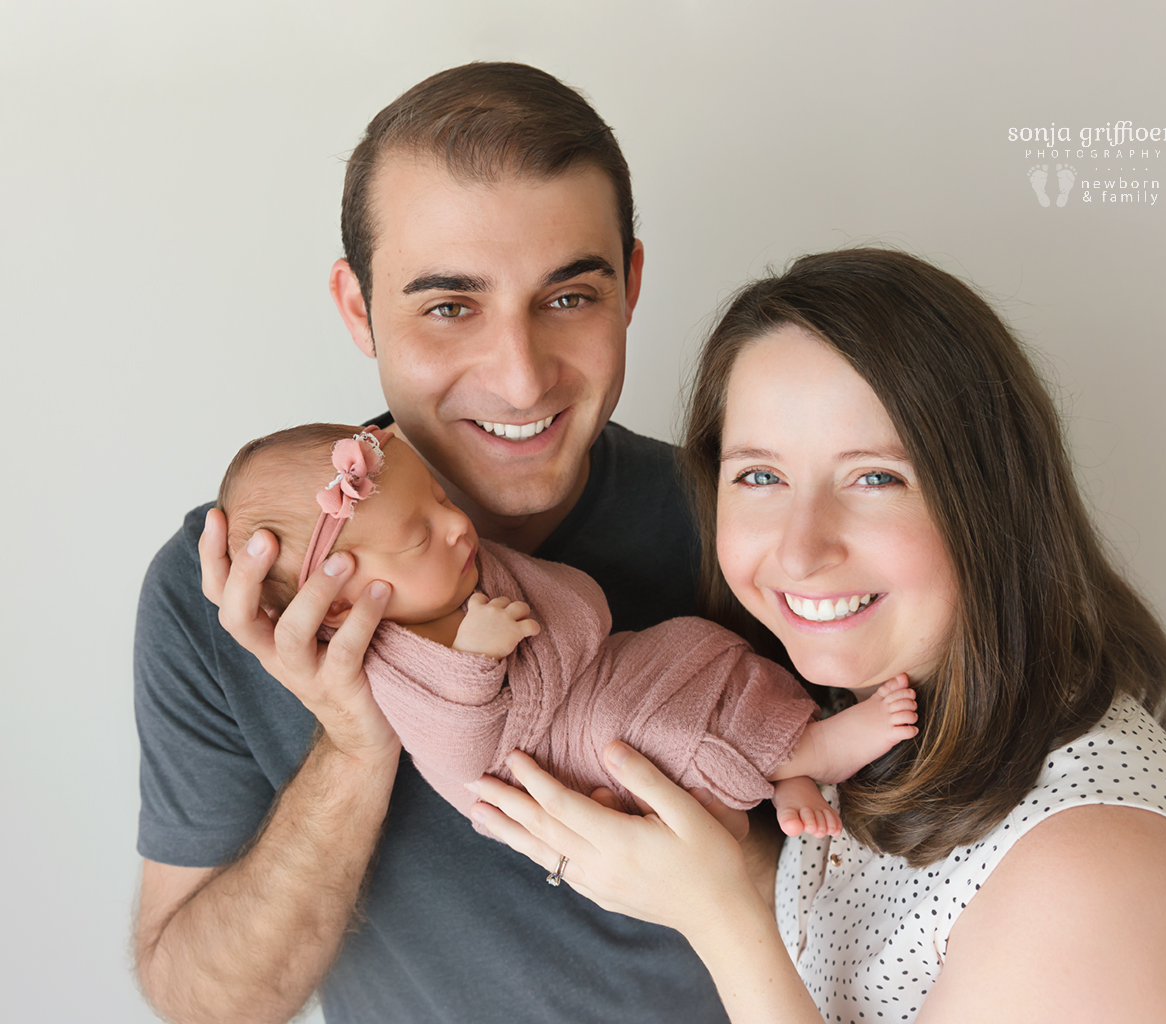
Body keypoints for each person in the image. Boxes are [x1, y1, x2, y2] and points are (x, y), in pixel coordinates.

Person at [466, 248, 1166, 1024]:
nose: (801, 549)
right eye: (760, 477)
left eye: (875, 478)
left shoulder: (1101, 877)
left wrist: (717, 917)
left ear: (991, 500)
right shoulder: (865, 724)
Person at [132, 62, 756, 1024]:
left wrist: (729, 875)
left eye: (568, 297)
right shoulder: (232, 585)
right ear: (356, 308)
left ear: (630, 286)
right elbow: (208, 1004)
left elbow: (926, 900)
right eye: (449, 306)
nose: (518, 379)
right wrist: (351, 745)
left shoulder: (758, 525)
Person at [215, 421, 922, 838]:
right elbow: (461, 765)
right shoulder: (395, 662)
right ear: (337, 602)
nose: (458, 524)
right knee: (657, 730)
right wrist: (474, 660)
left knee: (696, 649)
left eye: (438, 496)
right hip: (580, 740)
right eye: (416, 535)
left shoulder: (463, 571)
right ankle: (816, 751)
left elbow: (568, 607)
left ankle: (785, 767)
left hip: (613, 668)